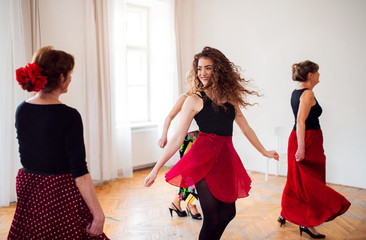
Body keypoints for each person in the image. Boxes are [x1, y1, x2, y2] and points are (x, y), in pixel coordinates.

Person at [145, 46, 279, 240]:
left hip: (225, 159)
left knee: (228, 213)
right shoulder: (194, 100)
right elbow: (177, 138)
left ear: (219, 69)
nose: (203, 73)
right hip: (202, 160)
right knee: (212, 219)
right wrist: (155, 168)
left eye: (208, 68)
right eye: (199, 68)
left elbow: (246, 128)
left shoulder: (231, 99)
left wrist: (264, 151)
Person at [8, 46, 109, 239]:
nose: (71, 78)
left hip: (29, 184)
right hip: (58, 191)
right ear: (61, 77)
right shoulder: (68, 116)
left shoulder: (22, 109)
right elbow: (80, 172)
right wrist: (98, 214)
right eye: (70, 74)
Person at [278, 60, 351, 239]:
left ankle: (287, 212)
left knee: (298, 180)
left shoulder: (297, 92)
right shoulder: (308, 93)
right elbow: (300, 121)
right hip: (306, 140)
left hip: (305, 138)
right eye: (317, 72)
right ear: (310, 75)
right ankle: (307, 224)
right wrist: (302, 149)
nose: (319, 75)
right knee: (311, 182)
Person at [158, 87, 202, 220]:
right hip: (187, 138)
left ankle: (176, 203)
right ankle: (191, 205)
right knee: (190, 173)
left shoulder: (202, 98)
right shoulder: (184, 98)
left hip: (200, 138)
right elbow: (169, 116)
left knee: (195, 173)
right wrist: (164, 135)